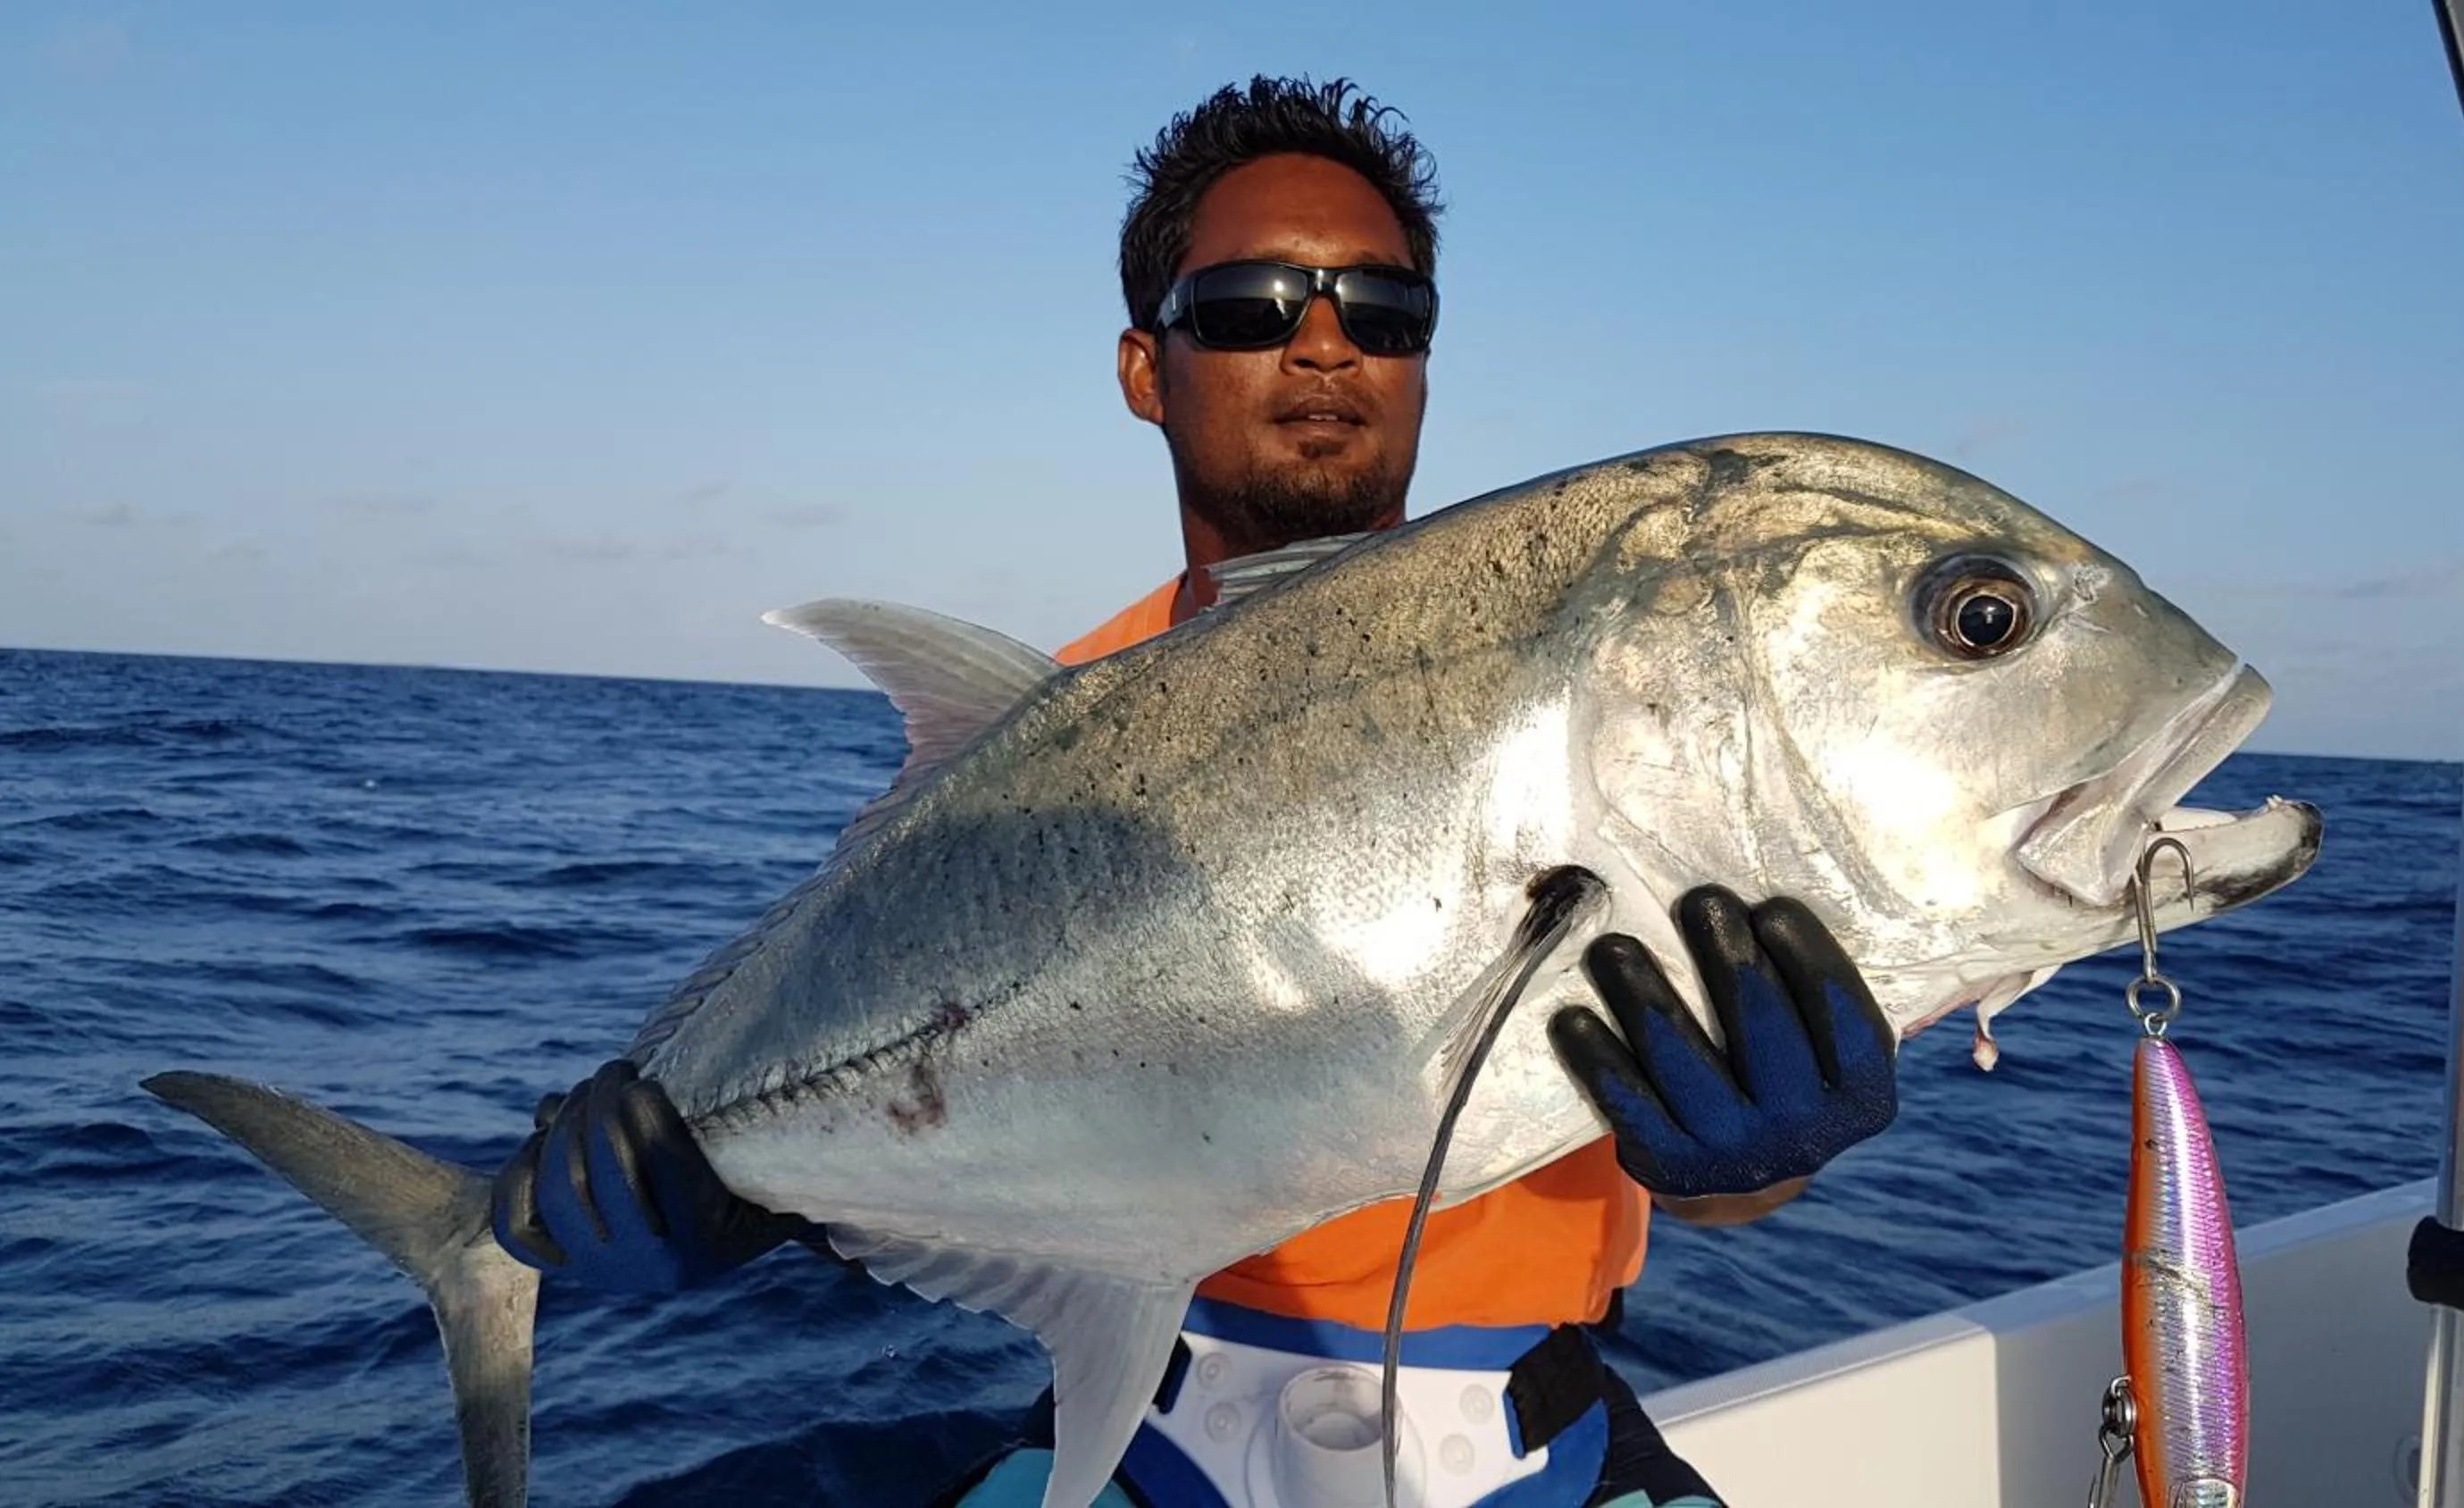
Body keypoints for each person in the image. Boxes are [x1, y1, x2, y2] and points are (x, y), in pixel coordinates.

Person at [490, 77, 1901, 1508]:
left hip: (1542, 1448)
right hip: (1138, 1433)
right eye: (1249, 307)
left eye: (1384, 311)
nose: (1328, 346)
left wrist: (1765, 1157)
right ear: (1143, 368)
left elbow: (1721, 1181)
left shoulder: (1596, 690)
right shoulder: (1040, 749)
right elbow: (940, 1097)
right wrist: (728, 1198)